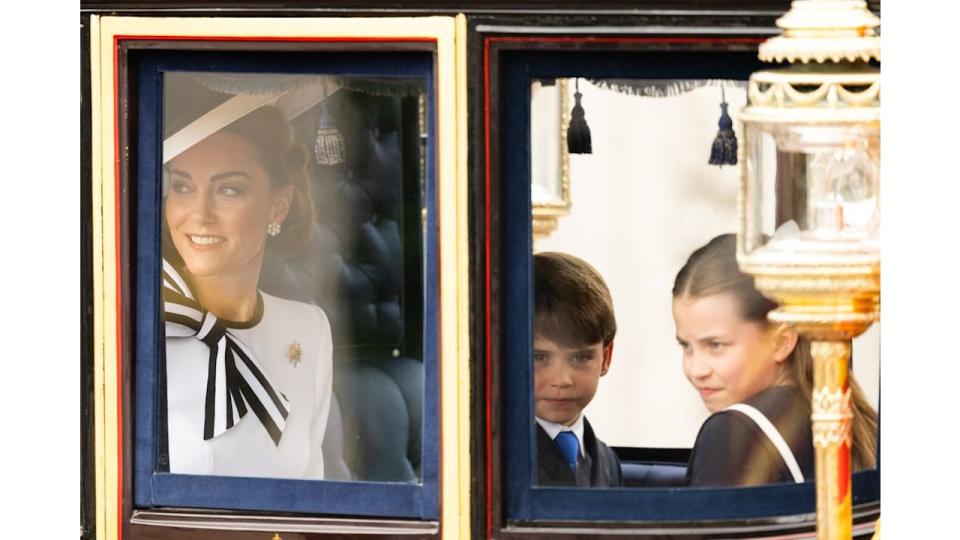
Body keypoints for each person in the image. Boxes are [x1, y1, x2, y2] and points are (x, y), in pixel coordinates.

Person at [162, 104, 332, 480]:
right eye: (183, 187)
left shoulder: (309, 330)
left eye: (228, 189)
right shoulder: (138, 330)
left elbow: (309, 496)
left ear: (278, 205)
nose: (199, 214)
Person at [672, 234, 878, 487]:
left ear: (783, 341)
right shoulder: (856, 421)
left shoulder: (732, 432)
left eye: (716, 345)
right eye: (686, 346)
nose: (696, 369)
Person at [533, 252, 622, 487]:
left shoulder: (606, 460)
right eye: (539, 357)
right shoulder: (492, 457)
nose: (562, 380)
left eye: (581, 357)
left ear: (606, 358)